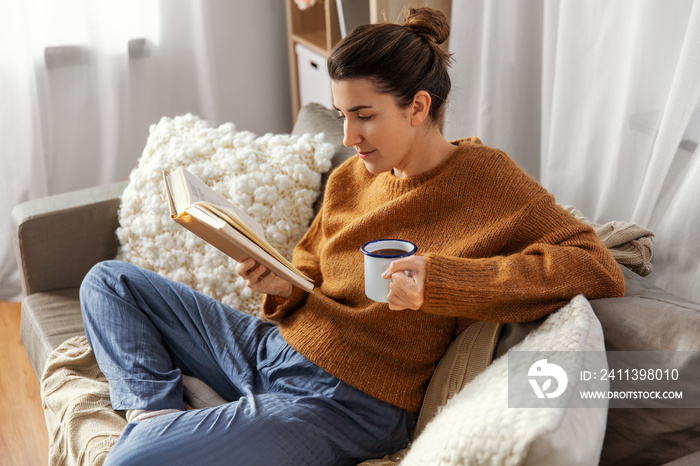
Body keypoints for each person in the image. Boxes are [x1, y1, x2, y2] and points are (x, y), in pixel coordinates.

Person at [80, 7, 625, 466]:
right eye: (342, 115)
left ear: (418, 107)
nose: (348, 137)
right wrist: (282, 284)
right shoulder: (352, 177)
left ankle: (181, 430)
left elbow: (595, 265)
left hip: (348, 401)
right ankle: (157, 411)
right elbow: (310, 268)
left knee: (131, 459)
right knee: (108, 283)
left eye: (363, 116)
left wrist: (442, 281)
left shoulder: (486, 179)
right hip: (273, 348)